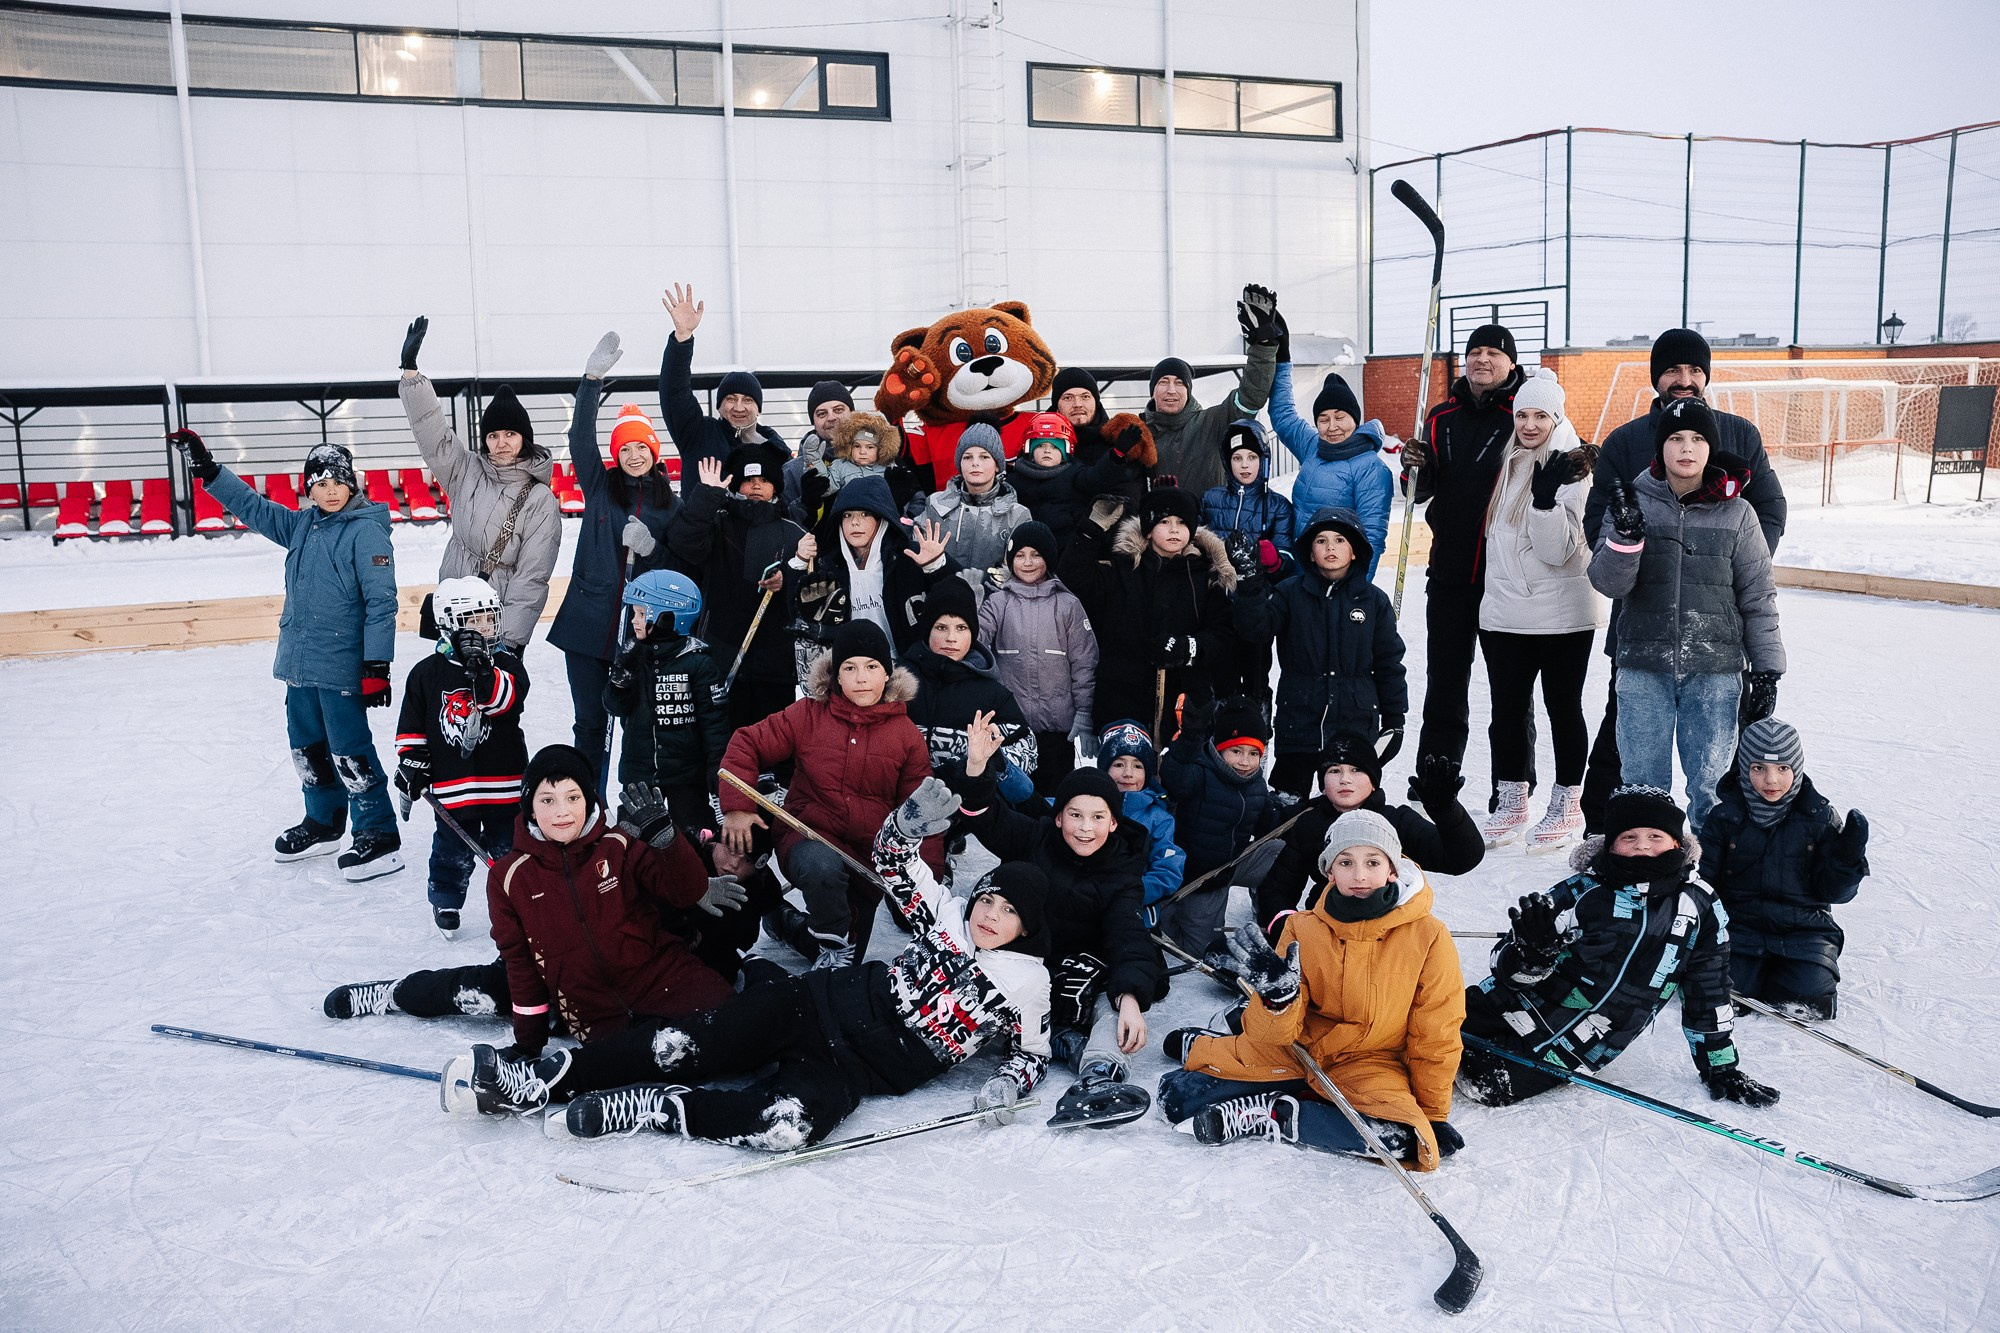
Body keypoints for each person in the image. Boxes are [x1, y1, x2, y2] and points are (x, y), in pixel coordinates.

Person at [447, 780, 1052, 1150]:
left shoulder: (1029, 982)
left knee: (786, 1127)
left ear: (1029, 926)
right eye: (987, 900)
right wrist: (905, 826)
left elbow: (1034, 1054)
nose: (988, 915)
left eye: (1007, 911)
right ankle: (541, 1081)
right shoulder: (945, 917)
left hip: (861, 1072)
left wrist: (1010, 1081)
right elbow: (892, 859)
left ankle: (662, 1108)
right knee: (684, 1043)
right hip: (811, 1007)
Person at [1158, 810, 1464, 1167]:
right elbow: (1275, 1032)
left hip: (1370, 1061)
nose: (1360, 874)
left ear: (1392, 869)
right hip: (1299, 1048)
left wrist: (1433, 1112)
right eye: (1346, 862)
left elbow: (1437, 1031)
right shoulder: (1303, 929)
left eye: (1373, 861)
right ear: (1329, 872)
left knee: (1407, 1139)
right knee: (1177, 1096)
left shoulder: (1428, 936)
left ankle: (1273, 1114)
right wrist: (1277, 1000)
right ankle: (1215, 1049)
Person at [1580, 328, 1790, 833]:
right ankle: (1621, 842)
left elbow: (1759, 582)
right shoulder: (1627, 457)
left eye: (1694, 370)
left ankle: (1718, 866)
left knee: (1712, 777)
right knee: (1636, 764)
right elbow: (1603, 558)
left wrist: (1719, 573)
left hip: (1714, 651)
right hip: (1643, 642)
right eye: (1673, 370)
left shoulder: (1739, 486)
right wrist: (1626, 539)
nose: (1684, 379)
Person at [1458, 784, 1780, 1110]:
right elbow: (1501, 964)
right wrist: (1530, 954)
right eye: (1629, 838)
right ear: (1610, 846)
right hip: (1508, 1003)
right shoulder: (1583, 892)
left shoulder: (1699, 907)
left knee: (1484, 1082)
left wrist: (1720, 1067)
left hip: (1572, 1046)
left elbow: (1709, 991)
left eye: (1655, 837)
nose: (1642, 847)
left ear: (1677, 842)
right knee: (1427, 1026)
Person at [170, 429, 402, 880]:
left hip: (341, 668)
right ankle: (324, 821)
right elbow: (253, 507)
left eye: (337, 481)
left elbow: (382, 603)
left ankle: (378, 834)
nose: (329, 490)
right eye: (319, 483)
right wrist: (210, 470)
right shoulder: (301, 525)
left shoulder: (367, 532)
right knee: (308, 750)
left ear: (352, 483)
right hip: (299, 666)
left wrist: (377, 665)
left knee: (350, 753)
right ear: (308, 489)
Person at [471, 745, 743, 1070]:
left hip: (665, 981)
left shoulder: (619, 846)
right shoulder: (508, 878)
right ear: (529, 808)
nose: (562, 811)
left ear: (588, 800)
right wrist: (528, 1044)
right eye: (547, 800)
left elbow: (685, 892)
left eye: (573, 797)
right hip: (598, 1016)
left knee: (738, 1034)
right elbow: (521, 966)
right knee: (641, 1062)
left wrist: (667, 840)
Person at [324, 829, 775, 1022]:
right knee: (484, 988)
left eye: (747, 861)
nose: (733, 863)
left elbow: (729, 946)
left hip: (648, 987)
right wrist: (687, 886)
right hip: (589, 964)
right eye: (730, 849)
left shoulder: (750, 896)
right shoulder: (673, 851)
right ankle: (393, 993)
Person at [950, 715, 1163, 1089]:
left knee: (1112, 1002)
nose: (1085, 827)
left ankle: (1099, 1071)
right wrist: (977, 767)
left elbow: (1128, 934)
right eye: (1076, 815)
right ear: (1059, 816)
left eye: (1098, 817)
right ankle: (1052, 1040)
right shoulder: (1036, 838)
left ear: (1113, 823)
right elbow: (987, 818)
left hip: (1086, 973)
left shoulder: (1122, 870)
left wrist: (1130, 995)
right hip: (1028, 964)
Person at [719, 621, 938, 967]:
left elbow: (919, 813)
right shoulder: (808, 714)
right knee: (827, 888)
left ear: (887, 675)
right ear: (836, 675)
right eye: (849, 668)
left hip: (867, 859)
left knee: (849, 949)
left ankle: (786, 923)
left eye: (871, 667)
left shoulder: (906, 735)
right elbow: (747, 742)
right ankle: (832, 946)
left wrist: (927, 884)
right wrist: (737, 807)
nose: (861, 678)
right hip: (807, 840)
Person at [545, 332, 682, 796]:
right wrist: (590, 382)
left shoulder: (670, 505)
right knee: (589, 723)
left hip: (641, 631)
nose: (633, 454)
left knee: (638, 724)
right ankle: (588, 802)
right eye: (625, 448)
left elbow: (681, 564)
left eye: (641, 447)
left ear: (654, 452)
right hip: (587, 625)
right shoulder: (600, 487)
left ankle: (636, 801)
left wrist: (653, 550)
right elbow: (578, 438)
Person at [1475, 369, 1604, 850]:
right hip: (1504, 614)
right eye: (1523, 414)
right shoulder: (1510, 460)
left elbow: (1557, 552)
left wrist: (1545, 501)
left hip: (1561, 618)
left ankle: (1568, 802)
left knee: (1562, 709)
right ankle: (1512, 800)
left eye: (1541, 416)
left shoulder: (1574, 469)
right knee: (1506, 712)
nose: (1529, 425)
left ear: (1558, 417)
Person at [396, 317, 562, 652]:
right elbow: (433, 435)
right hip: (451, 615)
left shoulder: (540, 499)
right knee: (448, 700)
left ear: (524, 438)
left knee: (494, 701)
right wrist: (412, 375)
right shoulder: (466, 470)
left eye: (510, 434)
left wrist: (511, 642)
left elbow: (532, 577)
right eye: (493, 435)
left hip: (493, 622)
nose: (501, 442)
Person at [1408, 324, 1527, 778]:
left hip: (1507, 575)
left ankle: (1512, 784)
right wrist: (1413, 469)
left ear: (1510, 362)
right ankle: (1437, 772)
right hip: (1450, 575)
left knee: (1509, 689)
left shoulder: (1525, 413)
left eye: (1493, 353)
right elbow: (1419, 492)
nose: (1482, 359)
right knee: (1445, 682)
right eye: (1474, 351)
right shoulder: (1440, 417)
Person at [1700, 718, 1869, 1020]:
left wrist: (1847, 861)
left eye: (1783, 769)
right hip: (1740, 927)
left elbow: (1834, 892)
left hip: (1804, 929)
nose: (1771, 781)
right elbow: (1705, 881)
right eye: (1758, 768)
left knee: (1810, 997)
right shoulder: (1724, 817)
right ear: (1742, 768)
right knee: (1721, 991)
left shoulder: (1819, 818)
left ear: (1797, 768)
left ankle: (1787, 974)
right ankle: (1749, 974)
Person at [1234, 507, 1407, 800]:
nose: (1330, 547)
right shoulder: (1290, 593)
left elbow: (1389, 662)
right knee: (1288, 808)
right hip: (1299, 720)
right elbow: (1255, 631)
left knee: (1350, 805)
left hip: (1354, 722)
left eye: (1340, 540)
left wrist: (1395, 720)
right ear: (1310, 552)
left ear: (1355, 551)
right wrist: (1249, 585)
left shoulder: (1373, 601)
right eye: (1321, 541)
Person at [392, 577, 528, 932]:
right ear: (449, 625)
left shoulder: (507, 665)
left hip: (505, 783)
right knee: (451, 851)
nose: (484, 628)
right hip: (454, 785)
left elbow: (503, 702)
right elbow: (412, 728)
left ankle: (522, 903)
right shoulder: (425, 673)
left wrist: (482, 669)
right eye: (473, 621)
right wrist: (412, 762)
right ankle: (446, 901)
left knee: (511, 849)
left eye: (489, 619)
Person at [1253, 737, 1482, 938]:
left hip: (1388, 929)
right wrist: (1289, 931)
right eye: (1334, 771)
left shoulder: (1396, 821)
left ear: (1373, 782)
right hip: (1330, 928)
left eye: (1356, 770)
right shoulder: (1309, 824)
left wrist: (1446, 811)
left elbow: (1461, 858)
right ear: (1323, 785)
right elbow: (1278, 889)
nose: (1345, 779)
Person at [1058, 487, 1237, 740]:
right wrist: (1092, 528)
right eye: (1164, 521)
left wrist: (1188, 648)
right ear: (1149, 529)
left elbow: (1222, 634)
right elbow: (1074, 576)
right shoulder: (1124, 568)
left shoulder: (1206, 575)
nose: (1174, 529)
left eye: (1182, 522)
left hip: (1182, 700)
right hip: (1123, 696)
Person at [668, 449, 806, 734]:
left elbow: (811, 585)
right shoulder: (717, 523)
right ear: (736, 484)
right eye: (748, 479)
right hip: (721, 655)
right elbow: (684, 545)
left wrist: (788, 578)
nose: (756, 485)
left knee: (775, 742)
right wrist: (707, 495)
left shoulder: (792, 531)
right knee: (724, 742)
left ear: (776, 487)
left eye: (765, 479)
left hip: (775, 663)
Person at [785, 476, 959, 683]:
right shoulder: (829, 566)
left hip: (908, 672)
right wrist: (798, 563)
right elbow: (795, 615)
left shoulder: (911, 556)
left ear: (882, 517)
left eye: (865, 514)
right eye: (847, 515)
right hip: (852, 676)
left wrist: (937, 566)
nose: (855, 522)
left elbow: (960, 598)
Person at [602, 570, 729, 836]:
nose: (634, 621)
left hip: (686, 777)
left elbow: (714, 724)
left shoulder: (698, 662)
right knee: (636, 846)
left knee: (692, 839)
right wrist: (619, 682)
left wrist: (716, 767)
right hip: (640, 776)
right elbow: (615, 708)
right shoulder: (635, 657)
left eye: (640, 613)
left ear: (666, 616)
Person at [979, 522, 1098, 798]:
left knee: (1054, 797)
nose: (1028, 562)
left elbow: (1085, 663)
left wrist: (1083, 715)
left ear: (1049, 559)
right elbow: (976, 642)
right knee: (1016, 798)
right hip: (1012, 730)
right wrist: (972, 603)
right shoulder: (999, 602)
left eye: (1036, 555)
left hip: (1058, 731)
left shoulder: (1068, 605)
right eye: (1020, 555)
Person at [1157, 697, 1277, 958]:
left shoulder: (1256, 783)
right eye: (1236, 751)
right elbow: (1174, 777)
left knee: (1281, 850)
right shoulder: (1200, 772)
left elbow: (1269, 824)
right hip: (1199, 878)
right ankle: (1168, 914)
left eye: (1253, 753)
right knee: (1200, 949)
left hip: (1231, 865)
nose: (1245, 761)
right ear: (1219, 749)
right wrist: (1189, 739)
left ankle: (1270, 912)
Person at [901, 576, 1038, 800]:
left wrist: (991, 758)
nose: (951, 638)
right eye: (941, 627)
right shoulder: (900, 681)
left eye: (961, 628)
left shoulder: (993, 693)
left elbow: (1028, 754)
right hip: (901, 803)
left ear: (973, 634)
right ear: (928, 630)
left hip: (968, 813)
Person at [1144, 285, 1280, 496]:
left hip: (1210, 526)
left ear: (1189, 390)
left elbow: (1251, 396)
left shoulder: (1213, 422)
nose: (1171, 390)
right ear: (1153, 390)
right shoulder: (1138, 432)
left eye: (1180, 383)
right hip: (1159, 528)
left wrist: (1262, 345)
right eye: (1163, 382)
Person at [1267, 364, 1393, 578]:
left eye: (1340, 417)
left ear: (1355, 419)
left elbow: (1371, 537)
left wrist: (1355, 593)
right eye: (1323, 420)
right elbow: (1283, 415)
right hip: (1300, 572)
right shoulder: (1313, 447)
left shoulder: (1371, 468)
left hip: (1336, 577)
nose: (1332, 426)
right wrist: (1282, 360)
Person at [1200, 419, 1294, 699]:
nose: (1244, 465)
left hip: (1257, 607)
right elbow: (1194, 539)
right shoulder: (1211, 499)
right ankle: (1221, 733)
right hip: (1217, 606)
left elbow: (1288, 557)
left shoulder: (1277, 505)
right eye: (1237, 458)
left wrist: (1275, 559)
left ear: (1263, 460)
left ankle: (1257, 730)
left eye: (1252, 457)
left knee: (1255, 676)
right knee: (1220, 677)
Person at [658, 282, 789, 474]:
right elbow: (674, 392)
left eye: (748, 400)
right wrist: (683, 337)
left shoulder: (775, 450)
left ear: (758, 408)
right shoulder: (698, 434)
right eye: (730, 398)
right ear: (719, 405)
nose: (738, 407)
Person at [917, 422, 1032, 599]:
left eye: (984, 457)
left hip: (993, 609)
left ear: (997, 465)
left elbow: (1020, 568)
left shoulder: (1017, 515)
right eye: (968, 457)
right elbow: (918, 552)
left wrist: (984, 594)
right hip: (940, 605)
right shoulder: (935, 505)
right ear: (959, 463)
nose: (975, 463)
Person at [1096, 721, 1187, 928]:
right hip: (1085, 905)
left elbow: (1168, 869)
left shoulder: (1159, 819)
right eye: (1118, 764)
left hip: (1135, 911)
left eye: (1137, 766)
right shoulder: (1085, 806)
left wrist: (1131, 893)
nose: (1128, 773)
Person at [1052, 366, 1155, 510]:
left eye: (1085, 396)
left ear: (1096, 402)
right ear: (1057, 405)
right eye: (1068, 398)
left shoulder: (1120, 441)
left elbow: (1130, 499)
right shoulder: (1040, 443)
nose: (1078, 404)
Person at [1007, 411, 1086, 551]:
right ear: (1029, 451)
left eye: (1055, 447)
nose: (1047, 451)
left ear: (1066, 452)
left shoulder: (1076, 475)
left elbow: (1098, 477)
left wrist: (1116, 456)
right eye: (1040, 445)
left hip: (1065, 549)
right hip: (1025, 552)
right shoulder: (1012, 481)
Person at [784, 379, 854, 512]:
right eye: (822, 414)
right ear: (813, 422)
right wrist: (805, 503)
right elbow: (783, 525)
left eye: (838, 410)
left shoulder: (876, 461)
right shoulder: (793, 471)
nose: (831, 418)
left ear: (852, 413)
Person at [822, 411, 901, 496]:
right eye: (857, 446)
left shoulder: (889, 468)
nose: (862, 452)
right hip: (850, 507)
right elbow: (825, 487)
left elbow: (908, 494)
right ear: (849, 447)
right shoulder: (841, 466)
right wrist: (814, 462)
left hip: (879, 508)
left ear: (881, 449)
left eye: (870, 447)